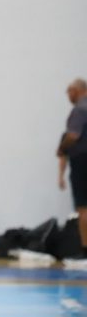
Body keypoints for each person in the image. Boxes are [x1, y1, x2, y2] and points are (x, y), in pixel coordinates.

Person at [59, 78, 87, 266]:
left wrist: (61, 148)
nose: (68, 95)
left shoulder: (79, 110)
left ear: (78, 90)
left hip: (82, 161)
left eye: (70, 91)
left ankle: (85, 251)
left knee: (83, 208)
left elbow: (73, 136)